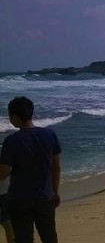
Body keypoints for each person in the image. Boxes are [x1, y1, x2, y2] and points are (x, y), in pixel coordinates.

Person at [0, 97, 61, 243]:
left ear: (15, 116)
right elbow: (56, 167)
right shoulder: (50, 135)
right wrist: (55, 191)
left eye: (9, 116)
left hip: (19, 198)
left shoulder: (11, 140)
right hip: (45, 196)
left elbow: (3, 173)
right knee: (49, 237)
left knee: (23, 238)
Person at [0, 177, 14, 243]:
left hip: (4, 191)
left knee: (7, 222)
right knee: (7, 223)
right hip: (5, 191)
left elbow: (3, 173)